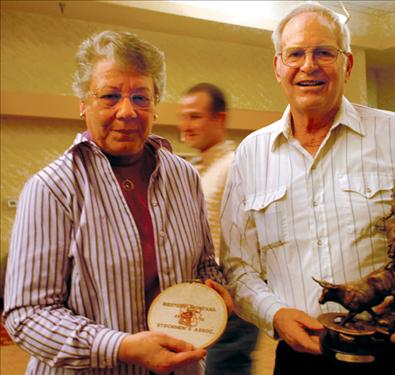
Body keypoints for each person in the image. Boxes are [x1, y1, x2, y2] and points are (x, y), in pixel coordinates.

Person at [220, 3, 395, 375]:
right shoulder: (250, 156)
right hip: (301, 360)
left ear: (347, 65)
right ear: (278, 66)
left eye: (324, 52)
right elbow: (237, 265)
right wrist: (274, 315)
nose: (309, 65)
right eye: (296, 54)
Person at [3, 30, 233, 375]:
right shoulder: (52, 189)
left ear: (156, 104)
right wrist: (121, 346)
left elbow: (203, 265)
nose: (127, 111)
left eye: (141, 97)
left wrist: (216, 292)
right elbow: (27, 315)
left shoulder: (183, 177)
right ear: (83, 103)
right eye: (110, 96)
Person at [178, 83, 259, 375]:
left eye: (195, 116)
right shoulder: (196, 168)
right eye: (183, 116)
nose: (185, 125)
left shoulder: (235, 165)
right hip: (203, 296)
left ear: (219, 119)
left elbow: (251, 233)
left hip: (230, 296)